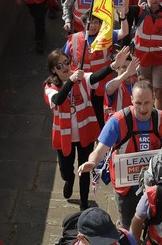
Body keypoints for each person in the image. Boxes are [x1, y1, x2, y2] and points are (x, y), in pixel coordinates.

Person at [78, 82, 162, 228]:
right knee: (127, 224)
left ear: (154, 98)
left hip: (153, 184)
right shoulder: (117, 121)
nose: (143, 108)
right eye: (138, 103)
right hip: (126, 187)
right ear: (131, 100)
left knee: (154, 222)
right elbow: (100, 150)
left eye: (147, 102)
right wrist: (92, 162)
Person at [45, 48, 121, 210]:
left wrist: (113, 66)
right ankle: (69, 179)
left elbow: (95, 76)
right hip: (64, 138)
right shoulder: (50, 86)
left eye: (67, 62)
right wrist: (71, 81)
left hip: (85, 133)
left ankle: (84, 202)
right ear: (53, 70)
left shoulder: (81, 77)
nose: (65, 67)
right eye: (59, 66)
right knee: (66, 170)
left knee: (85, 168)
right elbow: (58, 100)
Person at [134, 0, 162, 110]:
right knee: (144, 90)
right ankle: (143, 114)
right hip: (142, 59)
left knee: (159, 90)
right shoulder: (139, 11)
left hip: (159, 59)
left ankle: (161, 118)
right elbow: (124, 11)